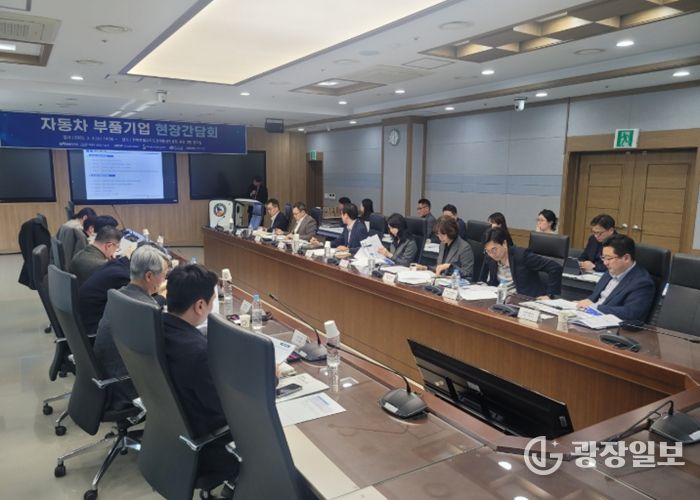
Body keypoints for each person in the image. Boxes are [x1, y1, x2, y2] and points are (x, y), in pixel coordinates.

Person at [162, 264, 239, 488]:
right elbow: (228, 410)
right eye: (212, 302)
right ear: (200, 305)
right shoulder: (197, 353)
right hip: (210, 445)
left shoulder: (156, 328)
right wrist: (267, 378)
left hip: (173, 437)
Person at [93, 245, 169, 409]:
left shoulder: (118, 294)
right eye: (163, 275)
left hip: (107, 376)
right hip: (126, 387)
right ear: (149, 276)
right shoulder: (146, 310)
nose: (164, 280)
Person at [576, 234, 655, 321]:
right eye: (603, 257)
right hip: (590, 317)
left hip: (611, 324)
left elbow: (631, 313)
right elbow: (594, 297)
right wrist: (583, 303)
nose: (605, 263)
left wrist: (595, 307)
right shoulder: (611, 271)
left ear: (626, 258)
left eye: (609, 258)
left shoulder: (642, 282)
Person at [480, 227, 562, 299]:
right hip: (501, 299)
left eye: (494, 249)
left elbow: (555, 267)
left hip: (524, 301)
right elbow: (493, 282)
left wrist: (549, 295)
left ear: (504, 243)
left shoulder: (522, 256)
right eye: (488, 251)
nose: (492, 254)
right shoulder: (490, 258)